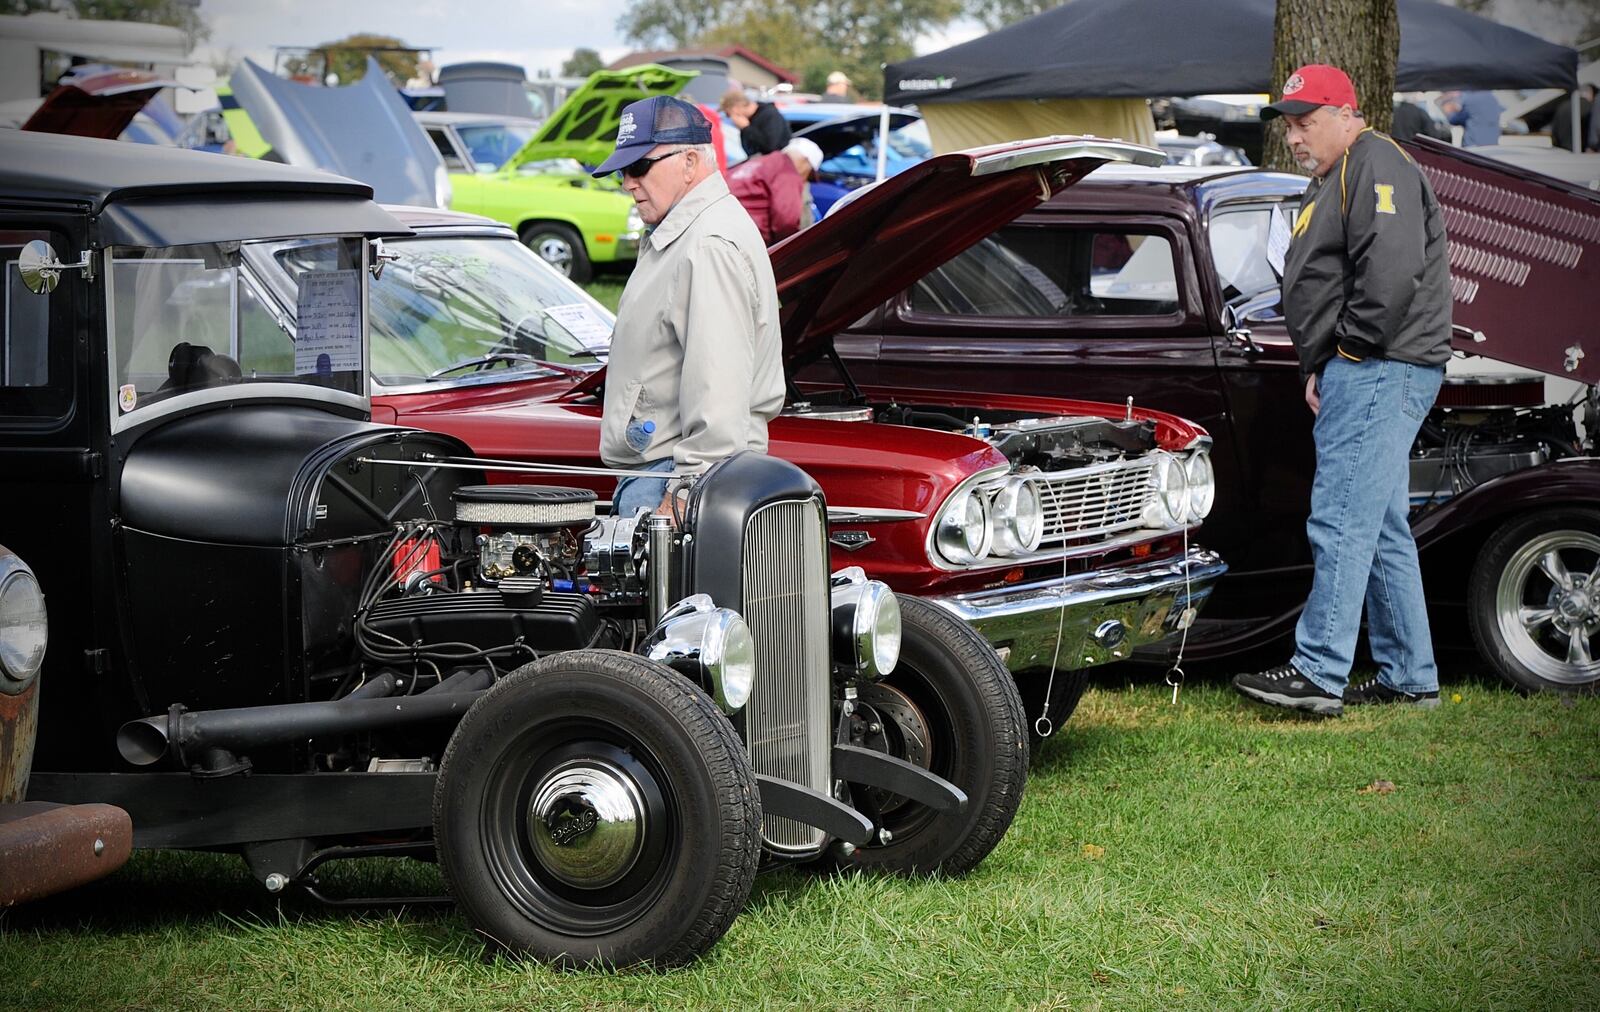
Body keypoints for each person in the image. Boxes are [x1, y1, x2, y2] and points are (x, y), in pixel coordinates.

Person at [1232, 64, 1452, 716]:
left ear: (1346, 113)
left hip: (1380, 365)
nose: (1295, 137)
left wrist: (1346, 354)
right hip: (1370, 365)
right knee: (1379, 527)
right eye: (1290, 125)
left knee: (1340, 520)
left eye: (1306, 121)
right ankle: (1410, 678)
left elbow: (1388, 273)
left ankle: (1319, 672)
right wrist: (1319, 365)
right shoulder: (1339, 172)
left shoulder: (1373, 160)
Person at [590, 96, 785, 517]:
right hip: (665, 474)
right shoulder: (688, 233)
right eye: (622, 171)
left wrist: (683, 497)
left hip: (676, 483)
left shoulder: (707, 244)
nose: (627, 182)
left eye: (639, 166)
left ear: (690, 161)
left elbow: (719, 389)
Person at [726, 137, 823, 244]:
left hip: (723, 229)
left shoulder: (760, 161)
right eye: (809, 175)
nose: (805, 181)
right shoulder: (788, 171)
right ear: (805, 161)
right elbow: (786, 222)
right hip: (742, 240)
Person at [720, 89, 792, 156]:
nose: (730, 118)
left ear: (735, 109)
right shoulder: (750, 119)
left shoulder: (769, 115)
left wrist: (746, 128)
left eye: (728, 114)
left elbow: (770, 146)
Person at [1551, 83, 1595, 153]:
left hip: (1563, 150)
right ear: (1590, 93)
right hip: (1583, 152)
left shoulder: (1562, 106)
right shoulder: (1591, 107)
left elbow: (1554, 131)